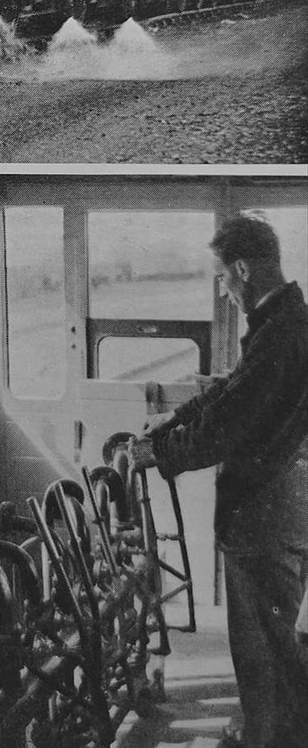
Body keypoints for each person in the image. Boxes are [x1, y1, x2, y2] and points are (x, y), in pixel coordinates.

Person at [130, 213, 308, 748]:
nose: (223, 288)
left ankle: (269, 738)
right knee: (275, 641)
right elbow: (232, 390)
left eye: (223, 277)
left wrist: (156, 453)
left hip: (263, 517)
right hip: (281, 508)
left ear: (243, 268)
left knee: (261, 648)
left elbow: (223, 431)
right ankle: (274, 729)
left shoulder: (282, 335)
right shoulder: (286, 323)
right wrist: (175, 419)